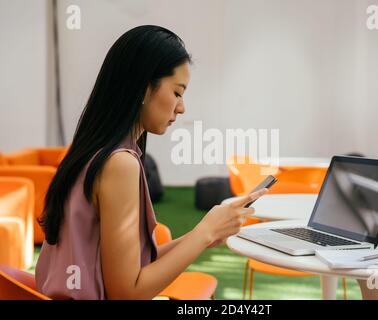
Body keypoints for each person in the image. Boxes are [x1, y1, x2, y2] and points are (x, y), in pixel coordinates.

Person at [36, 25, 267, 300]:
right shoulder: (120, 164)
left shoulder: (91, 150)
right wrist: (203, 234)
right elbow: (127, 293)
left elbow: (129, 267)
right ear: (144, 89)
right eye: (178, 93)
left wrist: (202, 235)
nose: (181, 108)